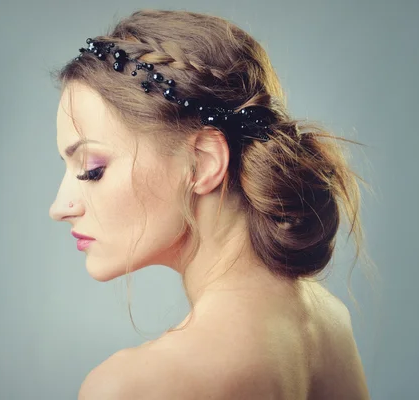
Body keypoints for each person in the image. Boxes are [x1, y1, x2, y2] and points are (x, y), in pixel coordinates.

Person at [48, 9, 371, 400]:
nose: (60, 207)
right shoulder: (327, 321)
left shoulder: (133, 387)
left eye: (92, 169)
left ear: (202, 162)